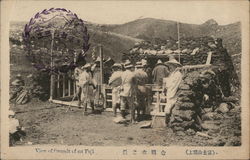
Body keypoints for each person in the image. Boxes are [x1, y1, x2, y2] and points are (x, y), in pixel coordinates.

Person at [162, 56, 183, 123]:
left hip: (173, 93)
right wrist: (165, 86)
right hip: (170, 92)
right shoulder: (172, 74)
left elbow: (174, 85)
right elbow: (168, 82)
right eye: (169, 66)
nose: (170, 67)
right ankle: (168, 122)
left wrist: (168, 87)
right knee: (168, 108)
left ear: (175, 66)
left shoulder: (178, 74)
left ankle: (167, 122)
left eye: (171, 66)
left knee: (168, 109)